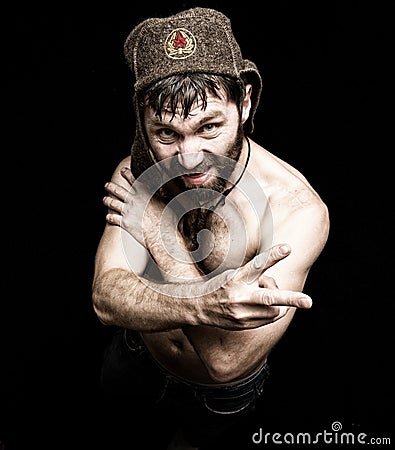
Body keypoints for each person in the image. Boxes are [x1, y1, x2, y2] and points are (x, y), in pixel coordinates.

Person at [92, 7, 330, 449]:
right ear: (142, 124)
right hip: (137, 354)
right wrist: (208, 303)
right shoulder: (140, 170)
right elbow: (106, 299)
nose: (188, 158)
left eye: (210, 127)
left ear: (245, 104)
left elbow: (225, 359)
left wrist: (159, 231)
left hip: (216, 395)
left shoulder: (297, 210)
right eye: (165, 133)